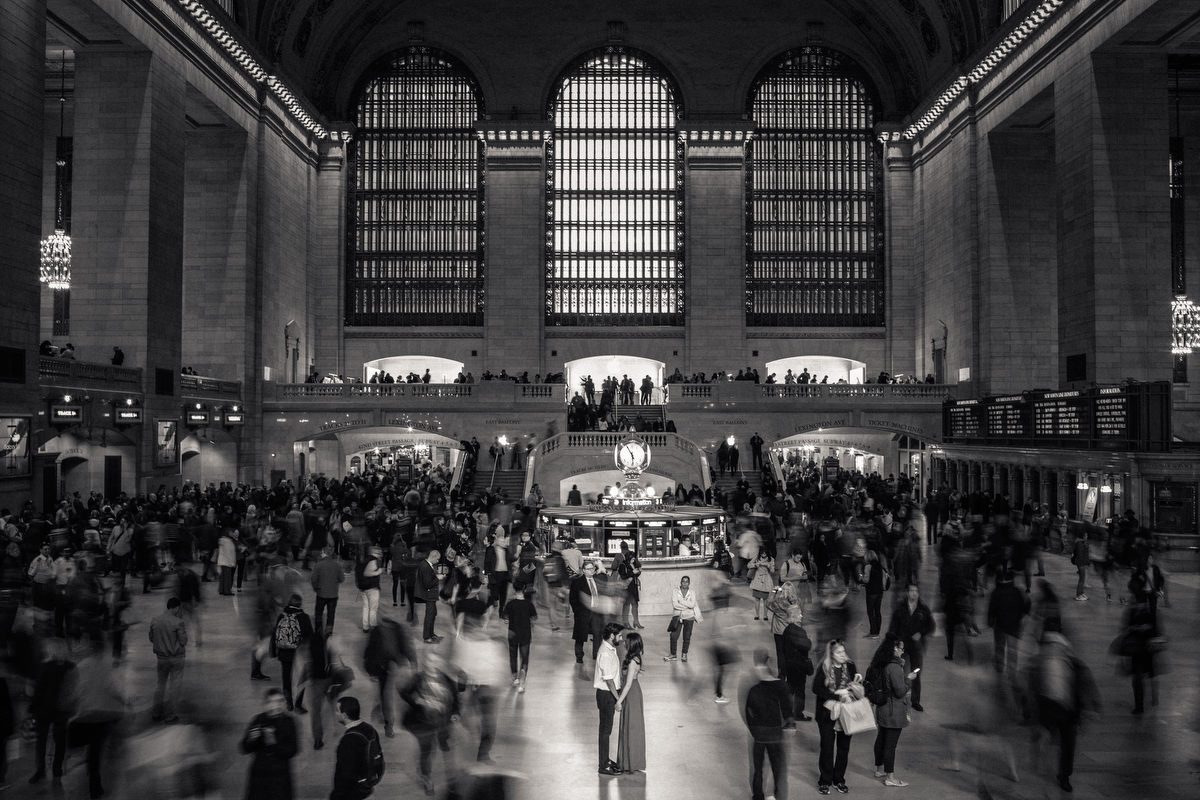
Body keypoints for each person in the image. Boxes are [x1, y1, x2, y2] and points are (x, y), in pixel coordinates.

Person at [813, 639, 863, 795]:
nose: (843, 655)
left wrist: (857, 684)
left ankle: (839, 779)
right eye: (839, 652)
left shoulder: (850, 665)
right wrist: (836, 695)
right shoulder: (825, 668)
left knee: (844, 748)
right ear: (832, 654)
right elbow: (816, 688)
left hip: (846, 712)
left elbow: (856, 684)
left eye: (844, 651)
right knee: (827, 748)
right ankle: (825, 780)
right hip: (827, 713)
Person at [868, 633, 917, 787]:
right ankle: (890, 777)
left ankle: (879, 769)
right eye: (901, 648)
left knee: (881, 739)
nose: (903, 651)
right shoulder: (894, 667)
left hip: (882, 709)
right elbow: (900, 691)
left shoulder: (881, 663)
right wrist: (909, 679)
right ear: (895, 649)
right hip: (893, 712)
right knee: (890, 744)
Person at [744, 648, 790, 800]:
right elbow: (787, 710)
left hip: (759, 734)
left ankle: (758, 796)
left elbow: (748, 711)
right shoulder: (781, 686)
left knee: (758, 768)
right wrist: (788, 725)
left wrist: (753, 729)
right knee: (777, 767)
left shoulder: (754, 689)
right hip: (775, 732)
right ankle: (777, 794)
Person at [28, 638, 74, 785]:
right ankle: (57, 768)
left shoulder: (45, 667)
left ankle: (40, 770)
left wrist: (32, 707)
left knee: (41, 741)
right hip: (63, 710)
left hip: (44, 709)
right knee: (60, 740)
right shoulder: (70, 666)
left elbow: (39, 690)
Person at [241, 688, 299, 800]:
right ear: (266, 704)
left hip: (279, 776)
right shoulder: (258, 719)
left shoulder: (288, 722)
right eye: (272, 702)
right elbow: (244, 748)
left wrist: (273, 743)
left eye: (280, 701)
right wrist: (251, 739)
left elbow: (292, 750)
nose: (276, 705)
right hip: (259, 775)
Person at [887, 584, 935, 712]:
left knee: (916, 673)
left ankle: (915, 701)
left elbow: (931, 626)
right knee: (900, 672)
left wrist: (921, 633)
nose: (914, 593)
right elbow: (893, 627)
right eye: (911, 591)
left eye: (916, 591)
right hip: (902, 646)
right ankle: (899, 697)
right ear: (907, 593)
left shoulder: (923, 609)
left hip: (916, 647)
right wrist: (895, 642)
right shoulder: (900, 609)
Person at [331, 696, 383, 799]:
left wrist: (337, 795)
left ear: (344, 715)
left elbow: (346, 775)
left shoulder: (348, 741)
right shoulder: (370, 729)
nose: (335, 714)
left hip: (353, 793)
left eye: (337, 711)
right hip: (367, 787)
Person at [149, 596, 188, 723]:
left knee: (160, 685)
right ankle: (170, 714)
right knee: (174, 686)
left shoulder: (155, 620)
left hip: (161, 658)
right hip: (176, 658)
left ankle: (156, 712)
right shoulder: (178, 622)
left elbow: (151, 638)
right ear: (176, 608)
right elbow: (183, 641)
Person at [274, 593, 315, 712]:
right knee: (300, 679)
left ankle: (289, 703)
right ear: (300, 604)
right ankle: (298, 704)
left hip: (284, 653)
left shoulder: (281, 616)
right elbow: (310, 636)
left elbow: (275, 633)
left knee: (286, 678)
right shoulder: (304, 617)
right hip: (299, 652)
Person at [594, 622, 624, 776]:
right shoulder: (605, 653)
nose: (622, 638)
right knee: (605, 731)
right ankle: (603, 765)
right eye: (619, 635)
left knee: (607, 730)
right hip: (607, 695)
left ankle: (605, 760)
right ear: (612, 636)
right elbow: (609, 680)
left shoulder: (609, 648)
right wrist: (618, 699)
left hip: (608, 695)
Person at [987, 570, 1029, 675]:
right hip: (1014, 625)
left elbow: (991, 609)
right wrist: (1021, 617)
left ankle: (999, 667)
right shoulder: (1017, 592)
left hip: (1000, 624)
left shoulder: (996, 592)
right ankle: (1012, 669)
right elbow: (1026, 607)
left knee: (1000, 647)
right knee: (1013, 649)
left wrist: (990, 621)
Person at [615, 631, 646, 774]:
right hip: (633, 692)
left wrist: (619, 701)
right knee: (631, 726)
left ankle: (631, 762)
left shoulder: (633, 661)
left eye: (626, 641)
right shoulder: (634, 657)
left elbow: (628, 684)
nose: (624, 643)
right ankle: (630, 761)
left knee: (632, 727)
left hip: (631, 694)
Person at [780, 605, 814, 723]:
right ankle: (797, 713)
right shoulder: (799, 631)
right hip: (799, 666)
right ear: (794, 616)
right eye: (799, 614)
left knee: (791, 689)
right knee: (799, 691)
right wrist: (809, 640)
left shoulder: (787, 630)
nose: (802, 615)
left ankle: (787, 712)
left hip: (790, 665)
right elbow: (807, 646)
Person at [570, 560, 605, 662]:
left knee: (597, 633)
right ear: (584, 570)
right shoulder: (577, 582)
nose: (591, 571)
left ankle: (596, 654)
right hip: (583, 612)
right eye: (589, 569)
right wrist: (577, 611)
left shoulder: (597, 580)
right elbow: (572, 599)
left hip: (596, 611)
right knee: (580, 635)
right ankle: (579, 655)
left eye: (593, 569)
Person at [504, 587, 537, 692]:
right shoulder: (529, 604)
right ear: (524, 592)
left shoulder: (510, 604)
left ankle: (515, 679)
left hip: (512, 634)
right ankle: (522, 684)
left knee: (513, 656)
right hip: (525, 634)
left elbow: (505, 618)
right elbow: (534, 617)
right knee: (524, 658)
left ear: (515, 592)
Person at [665, 574, 702, 662]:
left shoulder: (692, 592)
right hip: (678, 616)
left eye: (686, 581)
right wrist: (687, 606)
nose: (684, 583)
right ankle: (673, 655)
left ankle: (684, 654)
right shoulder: (675, 591)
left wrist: (681, 601)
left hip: (689, 617)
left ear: (689, 583)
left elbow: (692, 605)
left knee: (687, 636)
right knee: (673, 636)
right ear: (680, 582)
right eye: (683, 581)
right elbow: (675, 605)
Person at [311, 547, 343, 632]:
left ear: (324, 553)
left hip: (321, 593)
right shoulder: (337, 565)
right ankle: (329, 631)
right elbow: (342, 579)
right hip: (333, 594)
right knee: (331, 614)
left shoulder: (318, 564)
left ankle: (318, 630)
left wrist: (316, 588)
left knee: (318, 613)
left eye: (322, 552)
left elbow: (313, 579)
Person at [417, 548, 443, 643]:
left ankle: (431, 634)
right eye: (437, 559)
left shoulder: (427, 565)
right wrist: (438, 578)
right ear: (433, 557)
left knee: (433, 614)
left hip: (431, 595)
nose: (438, 561)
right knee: (429, 615)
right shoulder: (425, 566)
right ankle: (427, 637)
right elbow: (427, 584)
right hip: (429, 595)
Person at [357, 546, 383, 632]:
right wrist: (379, 571)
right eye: (379, 552)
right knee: (373, 608)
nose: (381, 554)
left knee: (366, 607)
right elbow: (367, 573)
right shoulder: (373, 560)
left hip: (363, 588)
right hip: (372, 588)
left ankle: (365, 627)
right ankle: (373, 625)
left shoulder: (365, 560)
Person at [750, 551, 777, 620]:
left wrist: (769, 566)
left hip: (766, 580)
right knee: (757, 599)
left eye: (765, 552)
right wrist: (755, 565)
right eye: (762, 552)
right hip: (757, 579)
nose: (763, 554)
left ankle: (765, 615)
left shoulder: (771, 559)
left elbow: (773, 571)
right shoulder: (756, 557)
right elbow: (749, 565)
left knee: (765, 599)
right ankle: (757, 614)